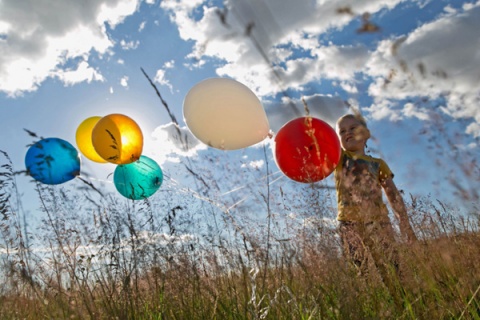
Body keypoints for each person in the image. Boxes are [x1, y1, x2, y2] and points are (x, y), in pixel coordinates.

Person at [334, 113, 416, 306]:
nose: (347, 133)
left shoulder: (377, 164)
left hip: (379, 221)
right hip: (349, 223)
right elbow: (314, 146)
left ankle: (403, 303)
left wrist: (404, 223)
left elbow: (392, 193)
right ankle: (373, 306)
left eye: (353, 128)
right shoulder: (338, 158)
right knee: (361, 271)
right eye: (342, 131)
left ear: (366, 134)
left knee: (393, 267)